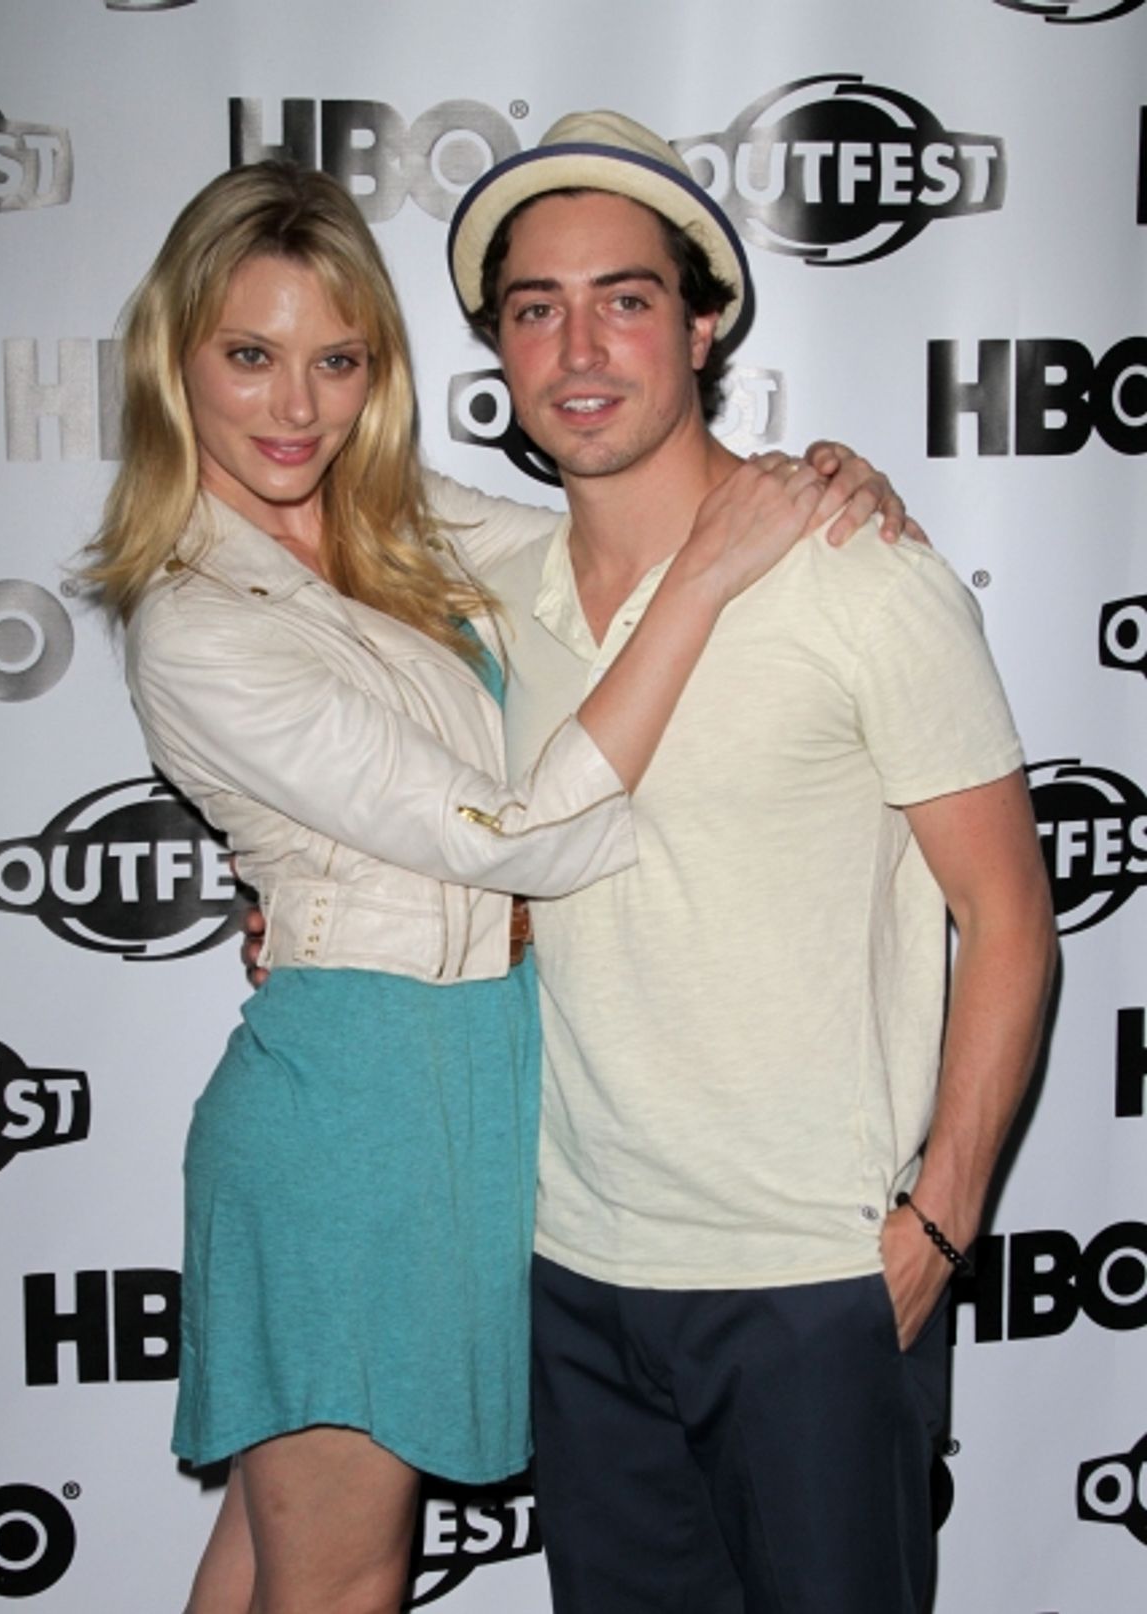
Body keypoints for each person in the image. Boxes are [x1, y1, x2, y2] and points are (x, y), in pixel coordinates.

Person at [82, 159, 887, 1614]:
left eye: (336, 360)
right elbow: (519, 830)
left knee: (274, 1555)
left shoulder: (396, 520)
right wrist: (705, 583)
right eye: (249, 356)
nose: (294, 406)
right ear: (176, 358)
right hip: (351, 1110)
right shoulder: (195, 617)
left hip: (468, 1087)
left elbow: (611, 537)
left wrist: (802, 480)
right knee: (340, 1576)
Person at [437, 111, 1060, 1613]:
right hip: (576, 1277)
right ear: (500, 351)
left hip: (815, 1282)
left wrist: (943, 1219)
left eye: (627, 298)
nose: (580, 346)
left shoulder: (861, 575)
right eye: (537, 308)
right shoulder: (479, 588)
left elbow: (1012, 918)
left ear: (704, 323)